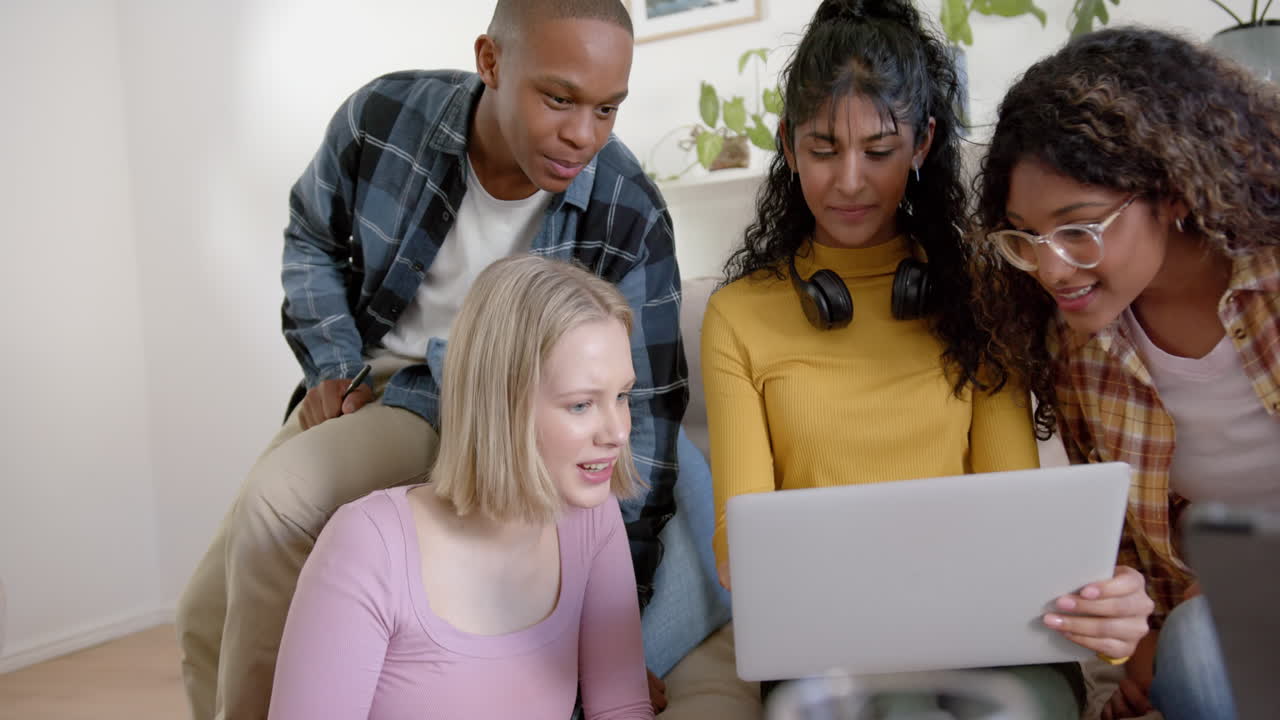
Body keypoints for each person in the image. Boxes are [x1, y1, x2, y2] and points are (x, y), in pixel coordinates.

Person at [175, 2, 689, 718]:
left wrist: (611, 633)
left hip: (466, 398)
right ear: (491, 62)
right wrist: (332, 362)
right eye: (559, 98)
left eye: (607, 109)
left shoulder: (627, 207)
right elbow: (312, 237)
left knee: (278, 498)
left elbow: (649, 415)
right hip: (368, 375)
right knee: (203, 612)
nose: (583, 135)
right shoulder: (384, 118)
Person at [681, 1, 1154, 718]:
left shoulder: (982, 292)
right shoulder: (739, 315)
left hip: (987, 638)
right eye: (821, 148)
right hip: (826, 644)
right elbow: (737, 544)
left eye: (878, 151)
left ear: (924, 142)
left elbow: (1012, 514)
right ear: (786, 142)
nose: (849, 181)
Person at [970, 26, 1280, 720]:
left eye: (1078, 228)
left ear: (1170, 194)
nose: (1050, 268)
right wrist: (1130, 638)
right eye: (1025, 236)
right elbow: (1122, 552)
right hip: (1230, 617)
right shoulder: (1079, 348)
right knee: (1195, 652)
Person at [267, 255, 654, 719]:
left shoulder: (593, 518)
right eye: (580, 405)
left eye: (622, 397)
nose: (617, 432)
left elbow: (622, 709)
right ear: (500, 405)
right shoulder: (367, 545)